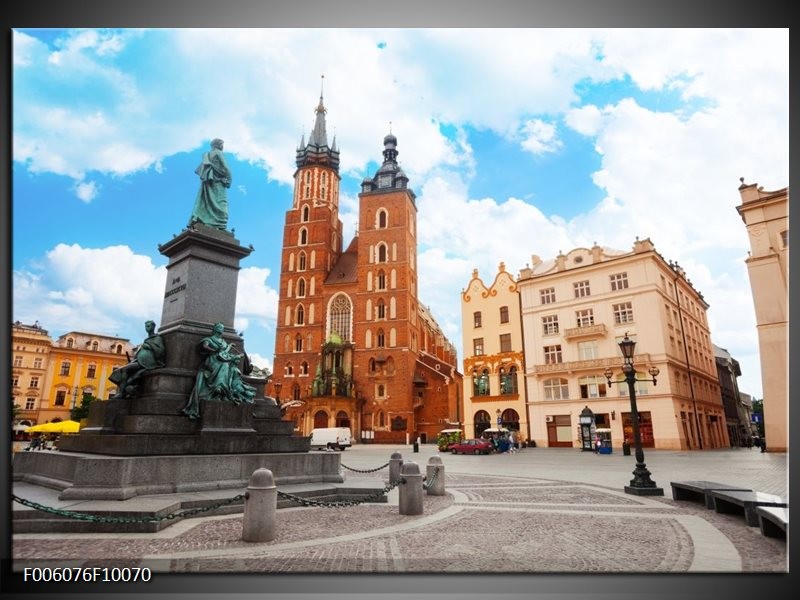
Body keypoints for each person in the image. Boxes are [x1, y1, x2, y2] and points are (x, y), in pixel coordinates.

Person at [182, 322, 256, 420]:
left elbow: (224, 353)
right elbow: (204, 345)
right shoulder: (210, 339)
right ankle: (217, 387)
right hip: (212, 360)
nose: (222, 329)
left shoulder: (223, 342)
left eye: (222, 327)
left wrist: (229, 347)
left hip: (222, 361)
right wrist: (213, 350)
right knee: (224, 365)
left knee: (226, 365)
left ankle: (220, 388)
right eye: (220, 327)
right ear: (215, 329)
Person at [109, 320, 166, 398]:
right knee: (119, 371)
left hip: (148, 363)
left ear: (153, 327)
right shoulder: (147, 339)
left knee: (125, 370)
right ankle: (125, 391)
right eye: (146, 326)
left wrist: (149, 346)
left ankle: (121, 394)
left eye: (148, 326)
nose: (147, 328)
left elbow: (160, 352)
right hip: (139, 361)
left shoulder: (157, 338)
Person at [188, 138, 232, 230]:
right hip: (219, 183)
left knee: (206, 203)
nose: (222, 146)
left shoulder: (206, 155)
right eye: (222, 144)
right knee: (222, 205)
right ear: (219, 145)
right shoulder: (218, 153)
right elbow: (226, 167)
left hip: (208, 184)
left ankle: (206, 222)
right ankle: (219, 225)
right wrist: (230, 179)